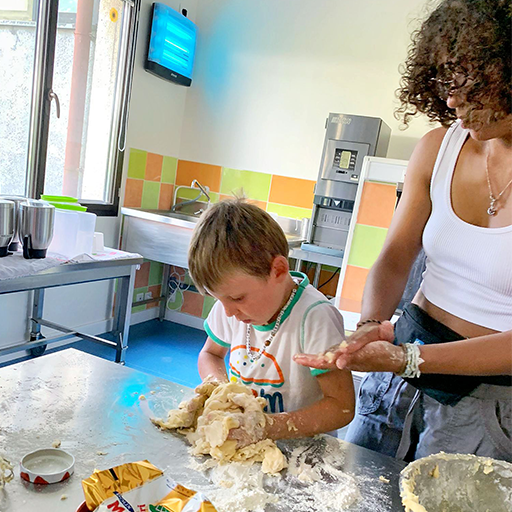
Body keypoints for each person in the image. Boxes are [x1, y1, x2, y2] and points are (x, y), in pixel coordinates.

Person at [294, 0, 512, 463]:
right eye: (447, 80)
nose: (453, 100)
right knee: (359, 486)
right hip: (400, 366)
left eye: (473, 81)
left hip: (490, 399)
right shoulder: (438, 148)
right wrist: (371, 326)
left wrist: (409, 359)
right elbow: (395, 253)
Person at [188, 198, 355, 446]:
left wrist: (266, 426)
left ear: (277, 270)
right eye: (218, 299)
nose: (228, 312)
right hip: (246, 441)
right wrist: (221, 389)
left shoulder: (315, 317)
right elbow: (210, 355)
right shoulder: (231, 307)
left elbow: (341, 407)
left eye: (237, 298)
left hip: (304, 451)